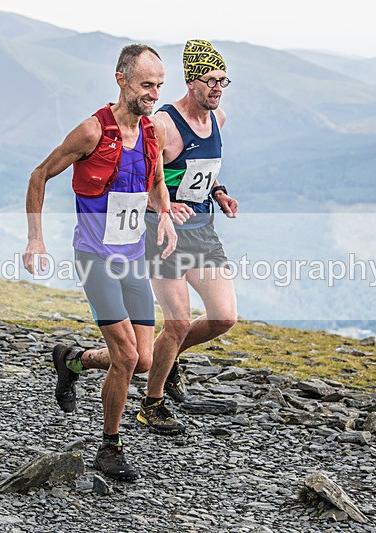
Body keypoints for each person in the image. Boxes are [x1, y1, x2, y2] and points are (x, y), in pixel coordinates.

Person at [22, 44, 187, 482]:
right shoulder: (92, 131)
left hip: (133, 259)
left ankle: (73, 360)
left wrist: (164, 214)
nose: (154, 94)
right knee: (127, 355)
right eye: (146, 85)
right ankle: (109, 447)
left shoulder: (151, 133)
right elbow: (39, 174)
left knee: (143, 360)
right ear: (121, 80)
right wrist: (36, 239)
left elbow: (156, 181)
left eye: (159, 85)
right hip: (95, 259)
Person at [138, 39, 239, 435]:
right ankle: (152, 403)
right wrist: (166, 205)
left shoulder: (219, 119)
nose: (217, 88)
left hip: (202, 230)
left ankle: (168, 357)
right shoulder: (162, 124)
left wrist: (219, 192)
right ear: (191, 81)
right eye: (211, 80)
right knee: (177, 322)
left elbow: (202, 171)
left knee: (223, 317)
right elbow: (140, 177)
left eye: (223, 80)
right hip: (163, 233)